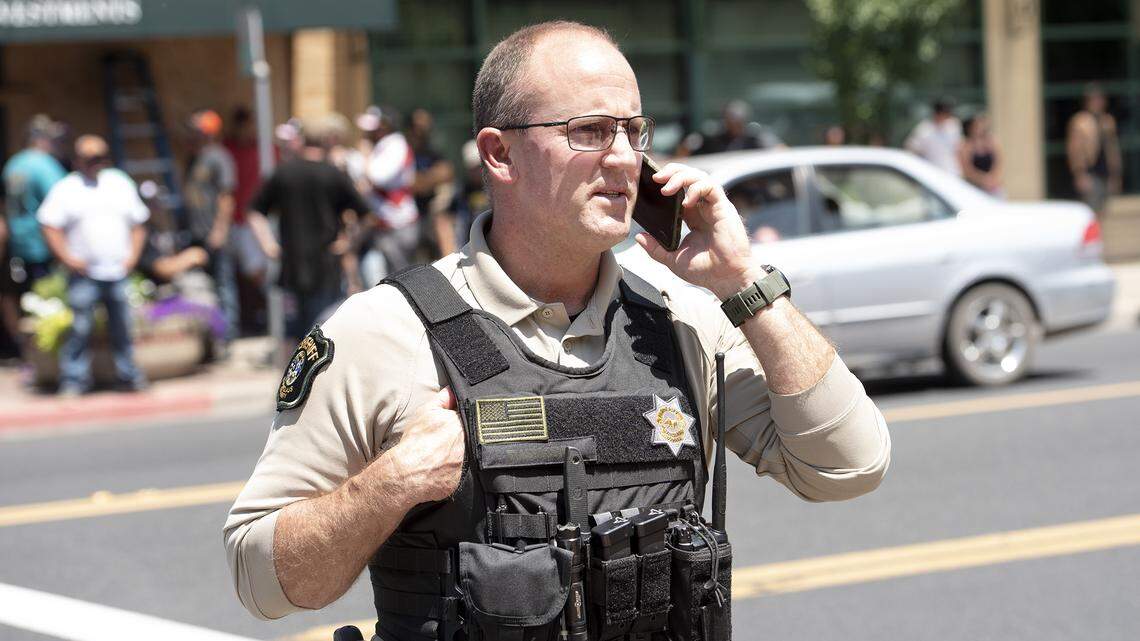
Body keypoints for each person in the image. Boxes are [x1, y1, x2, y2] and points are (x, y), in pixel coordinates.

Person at [224, 21, 890, 639]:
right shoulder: (385, 331)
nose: (625, 159)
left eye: (634, 131)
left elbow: (849, 466)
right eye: (590, 132)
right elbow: (263, 581)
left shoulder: (681, 320)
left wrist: (744, 281)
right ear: (500, 154)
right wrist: (391, 483)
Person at [37, 135, 148, 395]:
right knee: (80, 328)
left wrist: (133, 256)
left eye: (101, 157)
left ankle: (129, 376)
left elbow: (139, 223)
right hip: (83, 273)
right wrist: (67, 258)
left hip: (117, 270)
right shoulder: (66, 188)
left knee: (122, 327)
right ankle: (74, 380)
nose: (97, 162)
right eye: (90, 158)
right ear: (77, 160)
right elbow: (49, 225)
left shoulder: (119, 183)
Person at [244, 126, 372, 344]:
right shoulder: (333, 174)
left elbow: (255, 211)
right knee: (323, 332)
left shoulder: (283, 173)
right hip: (325, 264)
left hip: (292, 263)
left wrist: (268, 245)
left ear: (302, 143)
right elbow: (367, 215)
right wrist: (349, 243)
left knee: (295, 335)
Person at [1, 115, 67, 360]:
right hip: (44, 244)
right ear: (41, 139)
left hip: (19, 244)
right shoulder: (44, 165)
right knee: (50, 301)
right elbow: (63, 201)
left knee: (28, 302)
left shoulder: (13, 165)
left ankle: (30, 356)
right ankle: (48, 358)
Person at [183, 109, 239, 345]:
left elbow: (226, 197)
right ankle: (209, 336)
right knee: (202, 287)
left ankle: (227, 336)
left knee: (223, 285)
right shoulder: (194, 157)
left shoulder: (219, 157)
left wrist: (219, 231)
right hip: (196, 232)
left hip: (214, 234)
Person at [356, 105, 420, 282]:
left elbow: (377, 177)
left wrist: (364, 157)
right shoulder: (381, 146)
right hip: (381, 225)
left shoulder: (396, 144)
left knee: (400, 281)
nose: (367, 133)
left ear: (384, 127)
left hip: (398, 224)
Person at [1067, 84, 1122, 220]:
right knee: (1090, 212)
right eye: (1094, 99)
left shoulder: (1107, 121)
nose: (1097, 103)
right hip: (1090, 173)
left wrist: (1115, 175)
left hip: (1105, 173)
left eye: (1099, 99)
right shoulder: (1080, 121)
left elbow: (1113, 150)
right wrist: (1079, 174)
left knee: (1103, 211)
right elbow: (1075, 150)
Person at [408, 108, 458, 259]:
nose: (423, 132)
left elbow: (447, 173)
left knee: (442, 217)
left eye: (426, 127)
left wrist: (422, 181)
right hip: (409, 215)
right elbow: (411, 184)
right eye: (419, 128)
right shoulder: (404, 151)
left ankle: (450, 260)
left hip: (429, 211)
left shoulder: (431, 152)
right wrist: (430, 179)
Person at [677, 99, 784, 156]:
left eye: (738, 122)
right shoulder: (714, 133)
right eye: (730, 120)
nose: (734, 125)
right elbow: (688, 145)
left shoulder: (754, 135)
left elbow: (781, 150)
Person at [905, 97, 962, 176]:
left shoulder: (953, 126)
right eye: (943, 112)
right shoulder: (924, 129)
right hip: (932, 174)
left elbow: (958, 150)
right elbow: (911, 149)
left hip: (953, 173)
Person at [958, 113, 1003, 196]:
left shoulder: (991, 141)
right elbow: (967, 169)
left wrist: (992, 178)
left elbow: (998, 161)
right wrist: (983, 180)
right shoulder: (964, 146)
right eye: (977, 125)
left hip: (993, 186)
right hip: (974, 187)